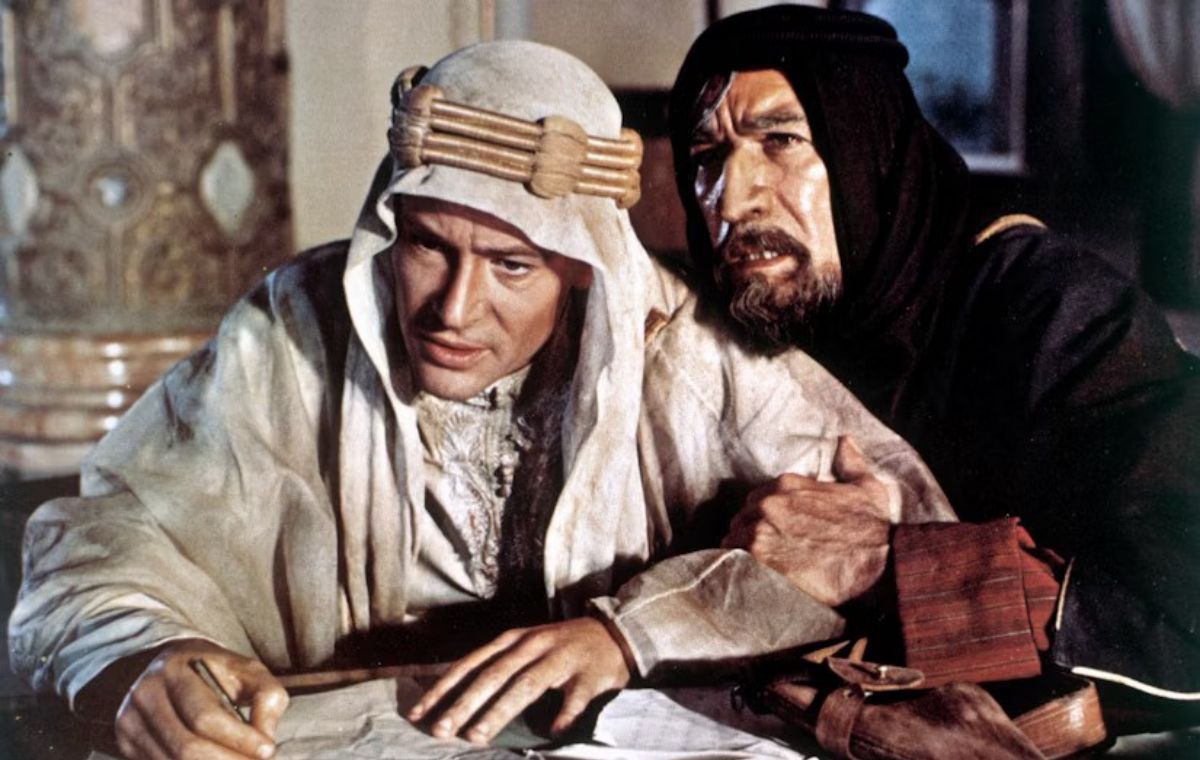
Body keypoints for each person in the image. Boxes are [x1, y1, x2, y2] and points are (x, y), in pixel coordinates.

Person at [10, 40, 952, 760]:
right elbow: (110, 535)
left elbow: (891, 539)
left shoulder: (687, 351)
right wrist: (142, 658)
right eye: (427, 246)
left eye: (511, 265)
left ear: (583, 270)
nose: (454, 310)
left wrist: (634, 632)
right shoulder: (294, 329)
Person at [668, 3, 1200, 714]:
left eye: (781, 141)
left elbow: (1181, 616)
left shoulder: (1054, 310)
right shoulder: (736, 321)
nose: (730, 199)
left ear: (868, 152)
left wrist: (889, 565)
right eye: (706, 157)